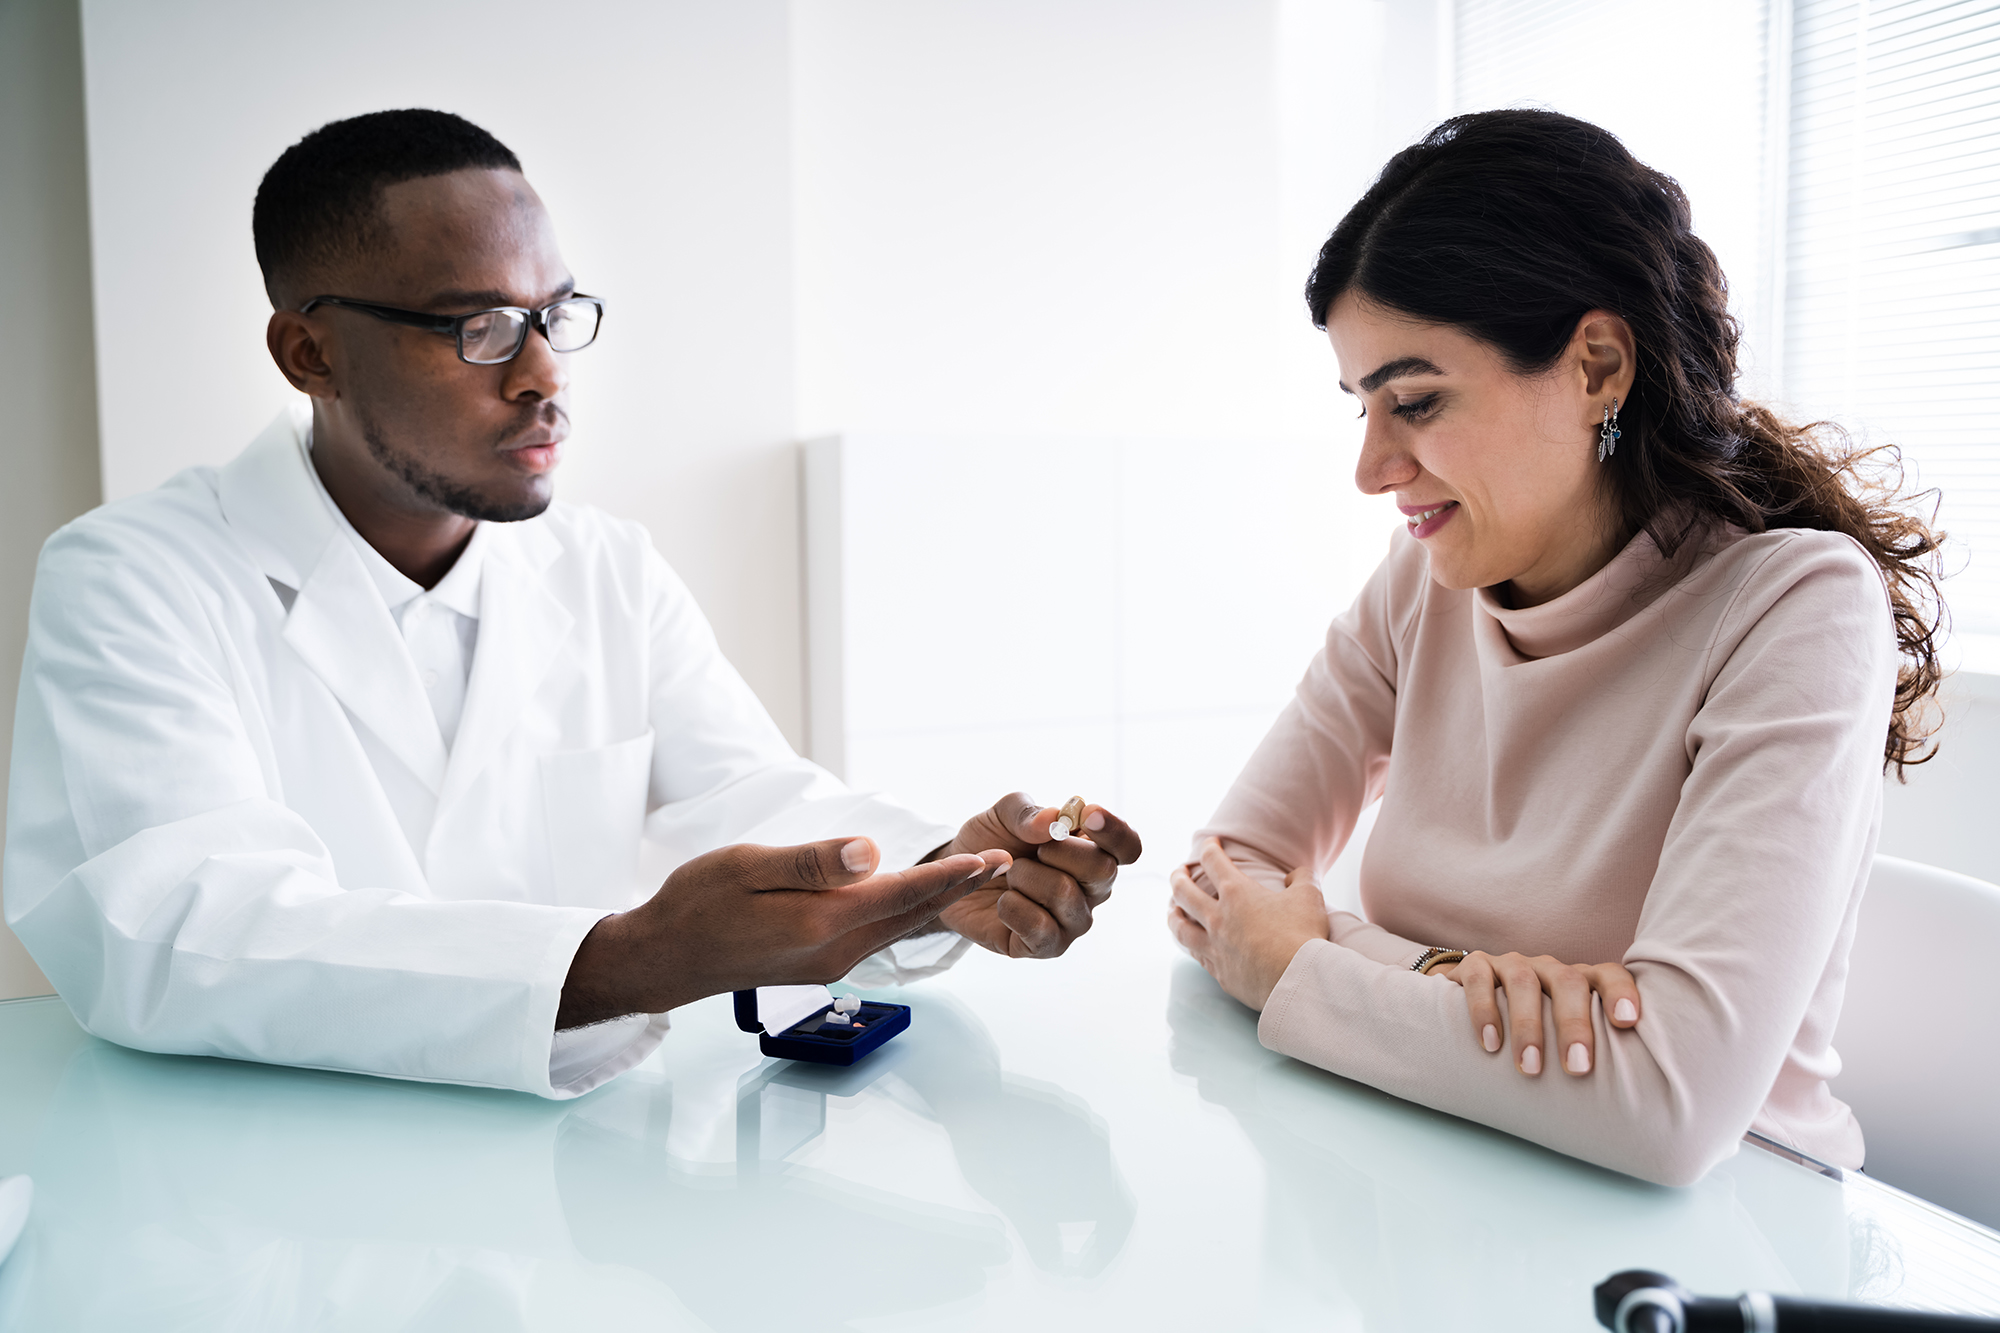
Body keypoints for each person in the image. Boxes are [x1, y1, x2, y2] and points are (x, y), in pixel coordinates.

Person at [3, 109, 1140, 1099]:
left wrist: (941, 879)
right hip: (271, 1214)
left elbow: (749, 796)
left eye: (555, 313)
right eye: (478, 326)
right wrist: (626, 958)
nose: (542, 371)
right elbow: (177, 932)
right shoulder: (134, 576)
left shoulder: (605, 567)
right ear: (311, 352)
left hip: (573, 1191)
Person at [1166, 109, 1943, 1187]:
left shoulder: (1794, 606)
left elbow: (1666, 1107)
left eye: (1416, 400)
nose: (1372, 468)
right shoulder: (1424, 582)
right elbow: (1219, 884)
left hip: (1739, 1222)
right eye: (1360, 409)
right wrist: (1448, 975)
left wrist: (1302, 960)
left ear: (1594, 366)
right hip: (1461, 1167)